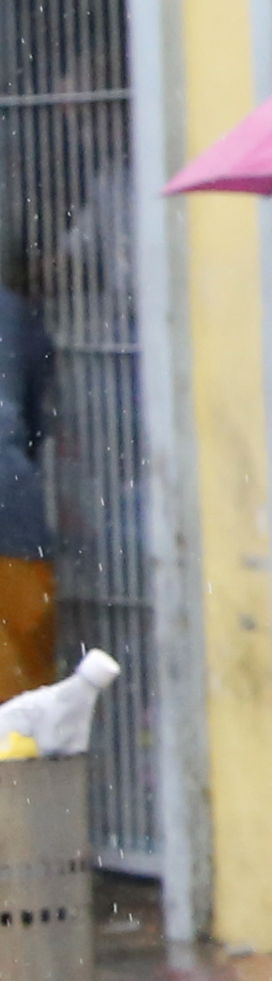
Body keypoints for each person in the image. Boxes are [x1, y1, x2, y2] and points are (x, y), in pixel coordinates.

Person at [0, 275, 54, 700]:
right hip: (13, 514)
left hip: (13, 517)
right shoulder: (12, 312)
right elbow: (39, 420)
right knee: (24, 698)